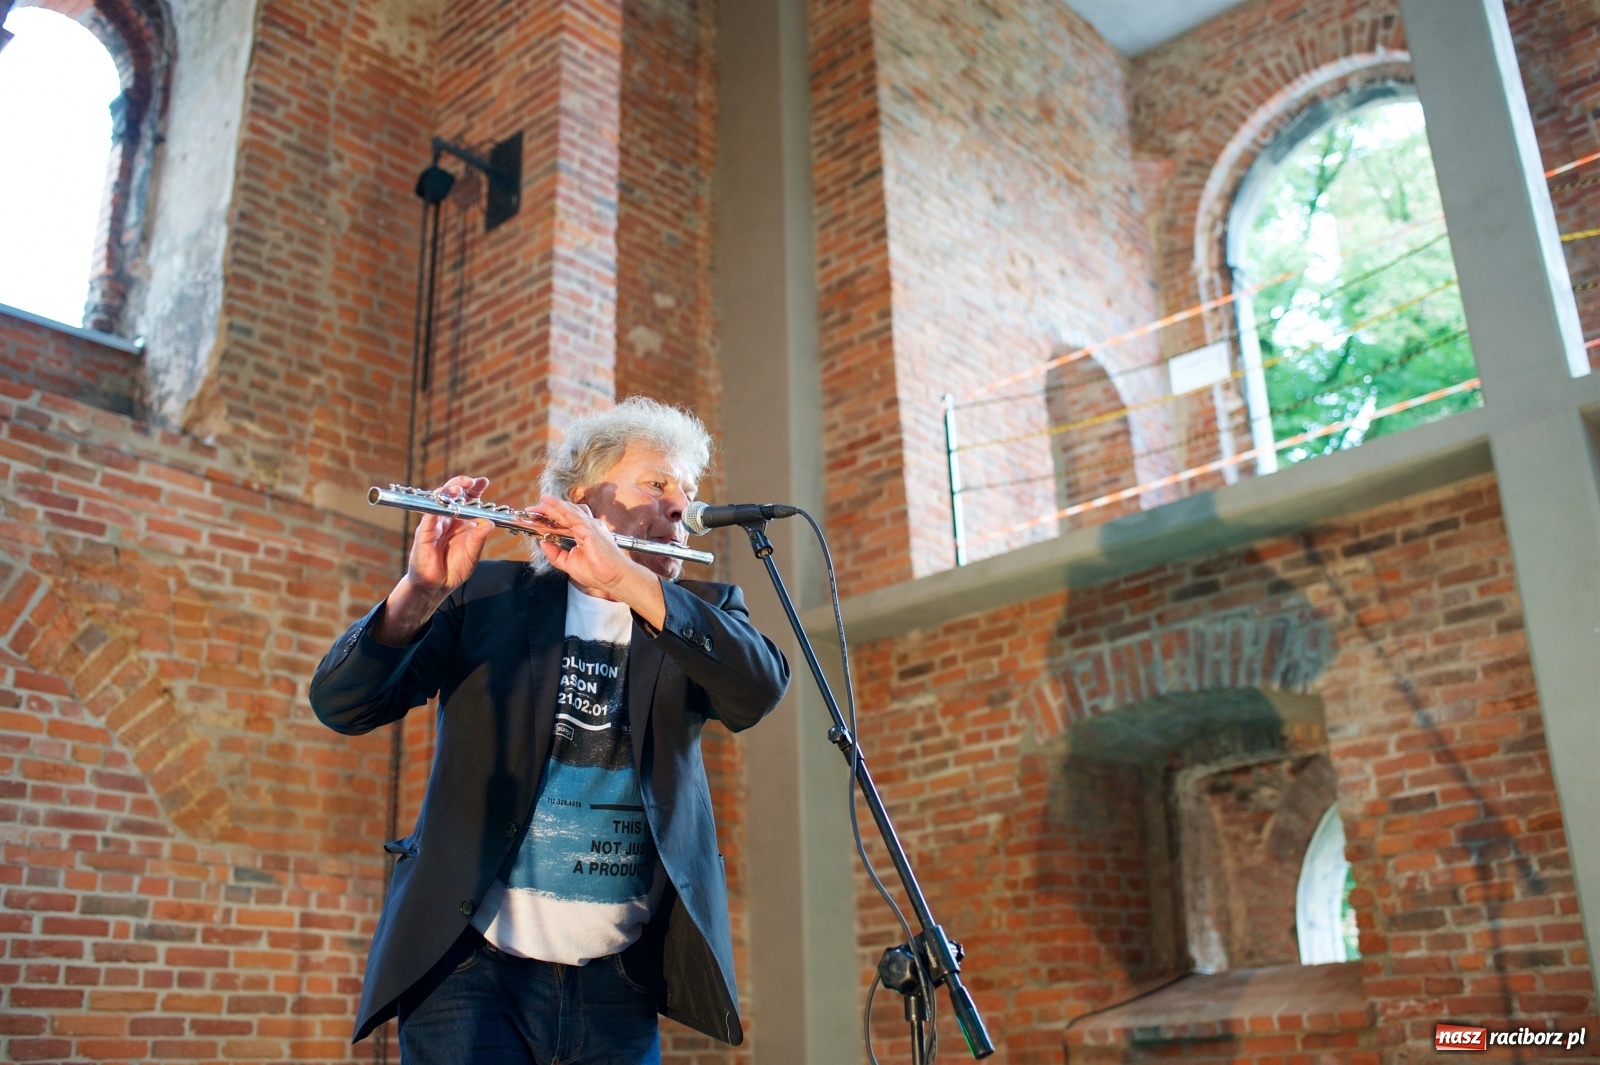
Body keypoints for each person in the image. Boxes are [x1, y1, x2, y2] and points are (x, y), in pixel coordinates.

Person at [310, 397, 790, 1064]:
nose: (681, 507)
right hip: (470, 972)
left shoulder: (702, 614)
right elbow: (343, 702)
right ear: (579, 502)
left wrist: (624, 575)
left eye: (688, 490)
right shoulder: (487, 599)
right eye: (657, 483)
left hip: (619, 983)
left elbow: (758, 688)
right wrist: (420, 590)